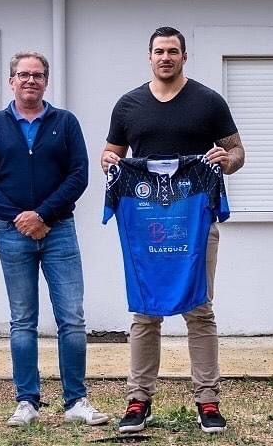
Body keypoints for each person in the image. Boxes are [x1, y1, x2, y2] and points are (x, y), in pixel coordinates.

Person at [101, 27, 245, 434]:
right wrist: (108, 161)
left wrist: (227, 160)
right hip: (146, 224)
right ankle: (138, 400)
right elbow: (112, 153)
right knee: (145, 311)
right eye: (159, 51)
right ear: (149, 56)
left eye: (173, 51)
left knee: (199, 308)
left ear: (184, 56)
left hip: (196, 222)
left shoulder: (208, 101)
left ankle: (208, 401)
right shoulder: (128, 105)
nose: (166, 57)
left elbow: (237, 151)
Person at [0, 51, 109, 428]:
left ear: (46, 81)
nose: (30, 80)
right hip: (12, 233)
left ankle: (76, 400)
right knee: (22, 320)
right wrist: (21, 218)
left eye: (37, 75)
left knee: (72, 318)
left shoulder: (65, 122)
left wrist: (43, 215)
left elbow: (78, 175)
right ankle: (27, 402)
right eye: (23, 75)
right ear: (11, 81)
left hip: (58, 231)